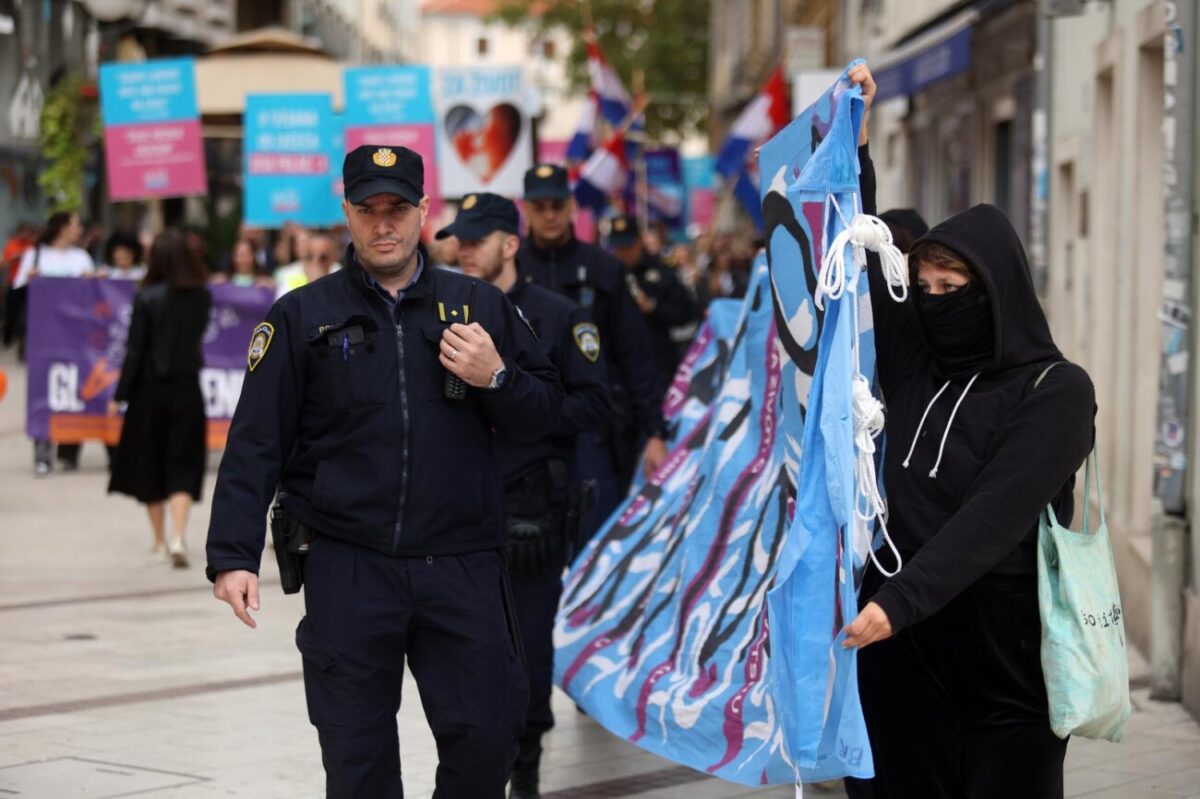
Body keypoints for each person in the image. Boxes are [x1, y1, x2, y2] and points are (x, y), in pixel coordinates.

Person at [206, 145, 563, 798]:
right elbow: (256, 440)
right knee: (356, 759)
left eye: (397, 207)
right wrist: (232, 553)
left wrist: (498, 377)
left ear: (424, 211)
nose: (383, 224)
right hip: (349, 563)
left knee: (488, 739)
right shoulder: (301, 316)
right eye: (367, 209)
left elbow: (543, 416)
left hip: (460, 561)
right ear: (346, 212)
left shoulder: (477, 304)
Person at [841, 63, 1095, 799]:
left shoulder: (1055, 392)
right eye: (925, 287)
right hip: (900, 640)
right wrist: (854, 147)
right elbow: (864, 256)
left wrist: (897, 600)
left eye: (952, 290)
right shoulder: (919, 353)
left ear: (998, 289)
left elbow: (992, 519)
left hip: (1000, 647)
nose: (933, 302)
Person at [437, 193, 612, 799]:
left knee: (528, 651)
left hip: (530, 510)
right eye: (458, 240)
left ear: (509, 244)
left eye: (476, 239)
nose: (463, 250)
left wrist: (514, 397)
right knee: (467, 656)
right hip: (457, 513)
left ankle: (528, 767)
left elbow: (594, 404)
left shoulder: (559, 316)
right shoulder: (441, 311)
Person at [518, 164, 667, 537]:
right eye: (540, 206)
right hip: (527, 429)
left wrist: (655, 432)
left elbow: (635, 354)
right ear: (526, 209)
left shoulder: (605, 269)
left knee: (599, 541)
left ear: (572, 206)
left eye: (557, 204)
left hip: (594, 429)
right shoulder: (512, 267)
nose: (550, 214)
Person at [107, 230, 211, 567]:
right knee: (184, 462)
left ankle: (159, 538)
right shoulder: (202, 297)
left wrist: (119, 394)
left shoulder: (146, 297)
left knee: (149, 461)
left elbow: (135, 352)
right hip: (187, 388)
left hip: (149, 392)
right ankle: (179, 536)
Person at [15, 211, 95, 474]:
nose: (79, 229)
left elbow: (94, 295)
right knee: (42, 392)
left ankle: (70, 450)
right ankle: (41, 450)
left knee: (74, 390)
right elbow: (18, 292)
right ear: (62, 228)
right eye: (76, 225)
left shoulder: (81, 257)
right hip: (43, 339)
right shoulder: (34, 255)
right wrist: (30, 280)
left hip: (75, 339)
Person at [608, 214, 700, 401]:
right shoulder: (607, 274)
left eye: (628, 247)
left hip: (657, 364)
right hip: (618, 368)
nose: (623, 253)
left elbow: (687, 312)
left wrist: (653, 307)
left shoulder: (661, 272)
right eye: (618, 248)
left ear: (640, 243)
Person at [273, 232, 341, 299]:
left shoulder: (339, 273)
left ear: (333, 258)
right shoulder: (290, 275)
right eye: (310, 257)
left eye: (323, 258)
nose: (315, 263)